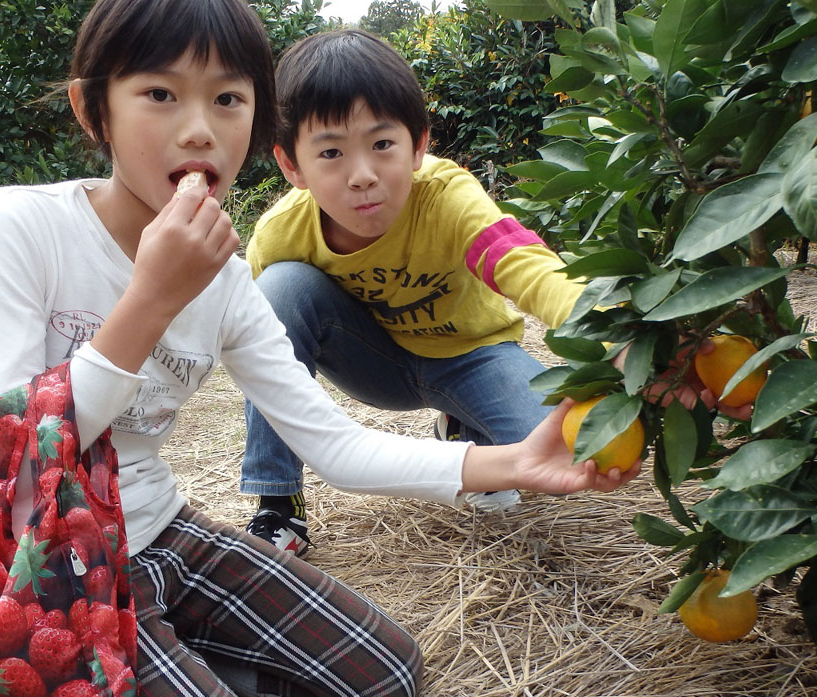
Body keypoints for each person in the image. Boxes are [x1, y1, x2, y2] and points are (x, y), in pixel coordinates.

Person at [0, 0, 638, 697]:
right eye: (160, 94)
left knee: (387, 681)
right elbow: (7, 460)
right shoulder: (21, 226)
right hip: (45, 564)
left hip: (156, 532)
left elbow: (331, 441)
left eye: (227, 100)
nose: (200, 131)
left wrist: (513, 463)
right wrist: (152, 296)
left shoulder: (226, 280)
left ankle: (161, 672)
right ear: (95, 111)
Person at [241, 29, 590, 554]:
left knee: (573, 445)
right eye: (331, 152)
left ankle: (463, 428)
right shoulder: (280, 233)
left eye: (382, 145)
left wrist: (609, 327)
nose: (362, 176)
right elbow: (252, 346)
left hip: (472, 358)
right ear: (292, 166)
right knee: (278, 292)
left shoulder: (447, 197)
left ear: (419, 145)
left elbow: (525, 265)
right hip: (373, 361)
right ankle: (278, 504)